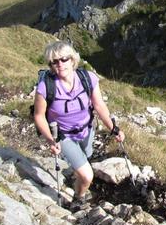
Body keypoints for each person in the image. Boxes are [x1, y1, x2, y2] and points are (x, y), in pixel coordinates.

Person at [33, 41, 125, 206]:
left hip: (87, 129)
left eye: (64, 59)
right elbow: (39, 116)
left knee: (87, 155)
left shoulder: (87, 78)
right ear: (51, 65)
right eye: (55, 61)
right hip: (64, 136)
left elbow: (99, 105)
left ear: (72, 60)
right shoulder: (46, 87)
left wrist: (114, 129)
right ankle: (79, 198)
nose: (60, 64)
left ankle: (77, 172)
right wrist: (50, 140)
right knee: (87, 176)